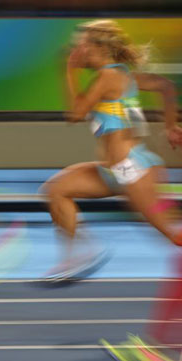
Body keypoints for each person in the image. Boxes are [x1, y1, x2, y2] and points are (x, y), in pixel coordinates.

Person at [43, 19, 182, 283]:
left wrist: (69, 71)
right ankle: (80, 254)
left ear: (97, 48)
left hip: (132, 169)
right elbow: (166, 86)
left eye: (80, 46)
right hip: (111, 171)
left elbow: (75, 114)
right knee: (56, 190)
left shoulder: (108, 76)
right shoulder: (122, 74)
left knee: (172, 232)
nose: (76, 51)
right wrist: (171, 126)